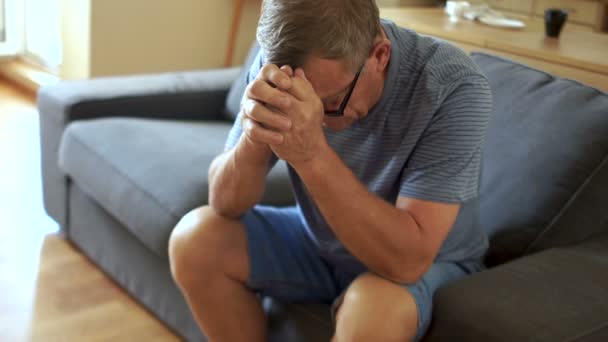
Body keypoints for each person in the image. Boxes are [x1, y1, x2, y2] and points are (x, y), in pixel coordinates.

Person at [168, 0, 492, 341]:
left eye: (329, 103)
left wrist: (311, 154)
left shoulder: (454, 87)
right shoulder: (279, 67)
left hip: (425, 264)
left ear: (379, 55)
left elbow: (406, 263)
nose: (315, 118)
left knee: (374, 308)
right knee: (195, 239)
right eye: (299, 99)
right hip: (319, 241)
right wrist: (255, 133)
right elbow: (225, 203)